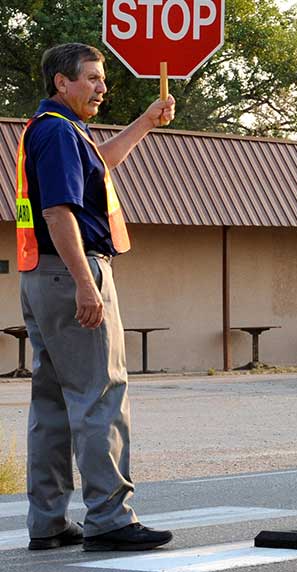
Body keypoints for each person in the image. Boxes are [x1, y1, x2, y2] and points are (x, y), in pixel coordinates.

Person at [17, 43, 175, 552]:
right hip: (72, 272)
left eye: (101, 79)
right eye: (91, 78)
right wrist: (87, 284)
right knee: (100, 395)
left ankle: (49, 521)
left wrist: (146, 122)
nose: (102, 87)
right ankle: (109, 517)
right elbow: (59, 213)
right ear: (62, 83)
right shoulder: (60, 132)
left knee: (52, 406)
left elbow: (100, 165)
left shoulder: (53, 129)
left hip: (40, 275)